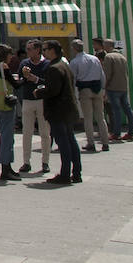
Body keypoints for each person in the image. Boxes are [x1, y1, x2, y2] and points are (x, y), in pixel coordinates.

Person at [33, 40, 82, 184]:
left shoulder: (54, 67)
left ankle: (65, 174)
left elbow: (53, 90)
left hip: (58, 110)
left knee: (64, 142)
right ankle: (76, 172)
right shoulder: (65, 65)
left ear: (52, 50)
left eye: (45, 49)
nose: (44, 52)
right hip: (68, 109)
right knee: (71, 141)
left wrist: (39, 92)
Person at [0, 44, 23, 181]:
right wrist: (25, 77)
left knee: (6, 135)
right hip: (5, 103)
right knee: (7, 137)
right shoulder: (4, 67)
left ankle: (8, 167)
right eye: (10, 54)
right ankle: (5, 169)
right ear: (5, 55)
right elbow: (15, 84)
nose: (12, 57)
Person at [16, 39, 50, 175]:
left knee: (44, 133)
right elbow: (19, 79)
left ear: (37, 50)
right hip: (28, 99)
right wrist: (24, 77)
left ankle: (45, 162)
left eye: (30, 49)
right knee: (27, 132)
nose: (27, 52)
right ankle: (26, 161)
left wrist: (35, 79)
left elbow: (49, 82)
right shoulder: (24, 63)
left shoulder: (46, 64)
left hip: (42, 100)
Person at [69, 39, 110, 152]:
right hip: (97, 88)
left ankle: (91, 142)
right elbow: (102, 75)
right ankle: (105, 143)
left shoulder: (75, 62)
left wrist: (73, 93)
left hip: (85, 89)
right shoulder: (94, 58)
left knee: (88, 118)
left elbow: (73, 79)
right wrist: (103, 89)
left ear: (74, 48)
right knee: (100, 117)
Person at [102, 39, 133, 142]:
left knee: (116, 111)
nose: (103, 47)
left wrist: (104, 87)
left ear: (108, 46)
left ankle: (116, 133)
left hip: (113, 88)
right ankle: (131, 133)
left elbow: (107, 74)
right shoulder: (122, 57)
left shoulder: (109, 57)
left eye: (104, 45)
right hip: (123, 87)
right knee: (128, 109)